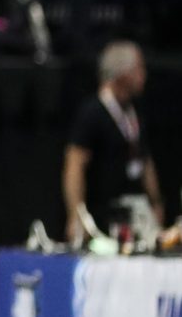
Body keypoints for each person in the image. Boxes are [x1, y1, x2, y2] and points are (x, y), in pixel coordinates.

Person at [64, 41, 164, 244]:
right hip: (101, 216)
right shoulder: (92, 113)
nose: (144, 75)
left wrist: (156, 202)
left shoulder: (133, 112)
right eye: (139, 69)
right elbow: (74, 165)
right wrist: (76, 214)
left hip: (135, 214)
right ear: (123, 74)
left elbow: (144, 160)